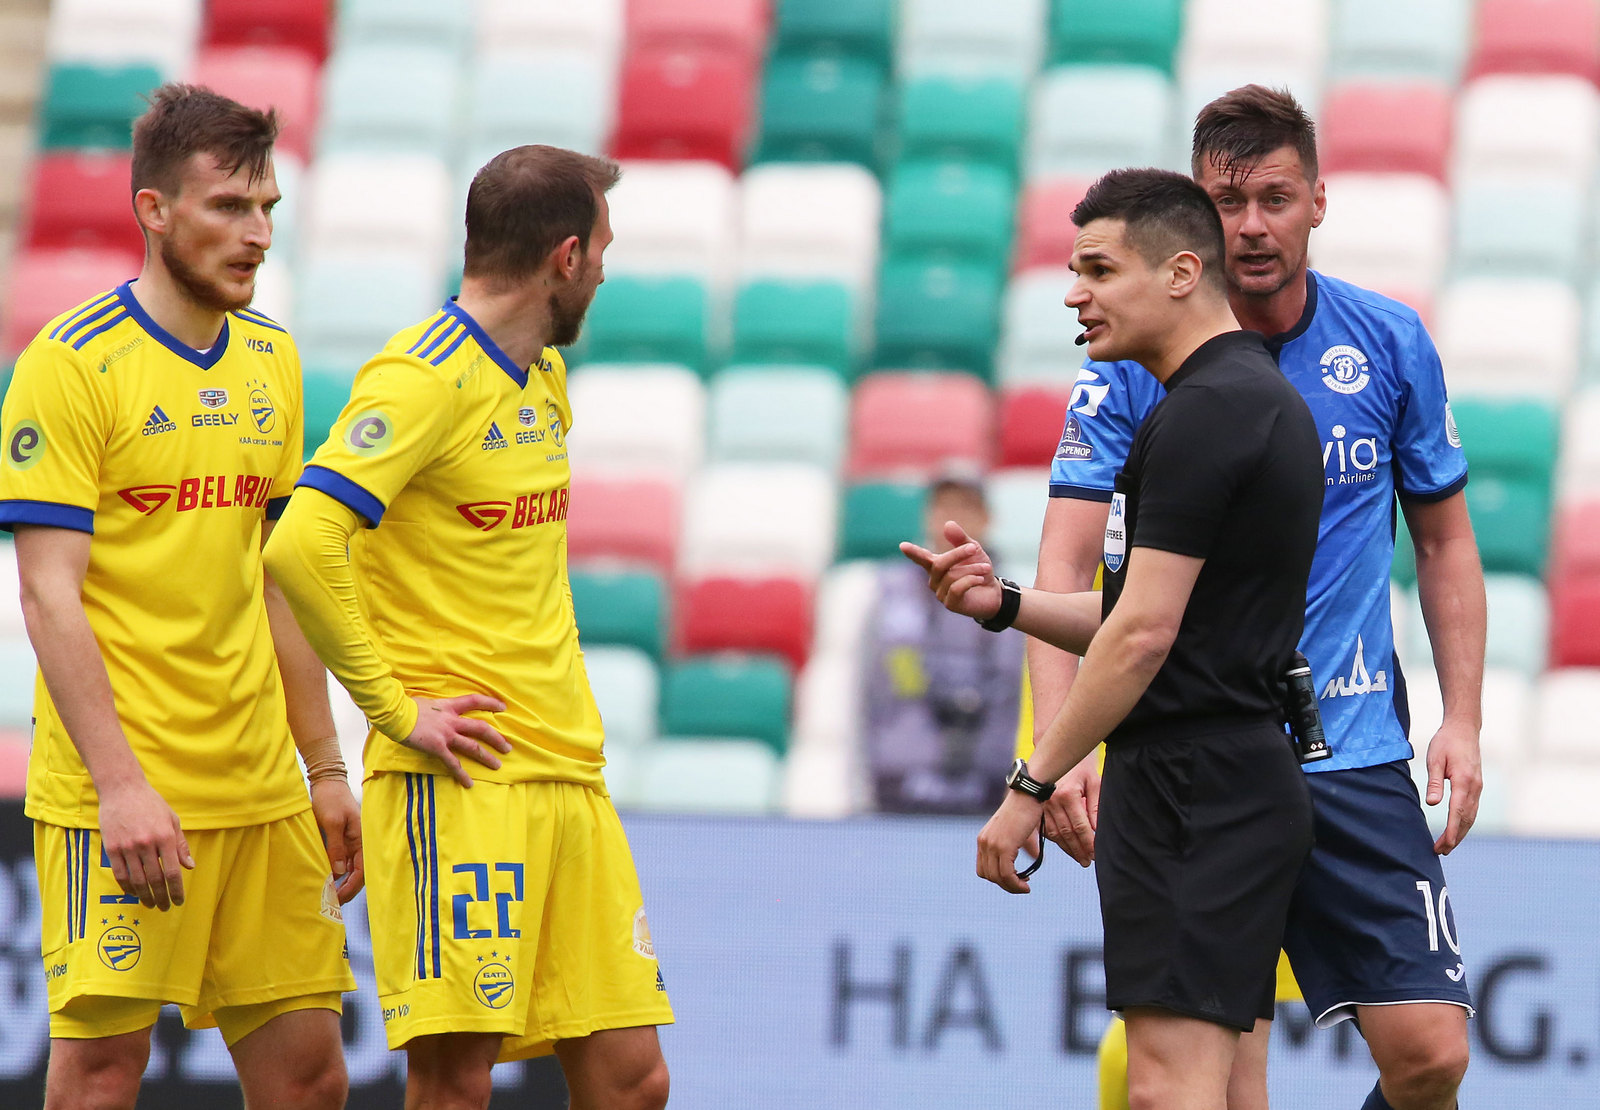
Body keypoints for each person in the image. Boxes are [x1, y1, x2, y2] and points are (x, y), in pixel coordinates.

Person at [1033, 87, 1484, 1110]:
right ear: (1195, 219)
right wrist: (1058, 745)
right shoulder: (1136, 361)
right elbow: (1065, 565)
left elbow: (1445, 541)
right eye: (1226, 203)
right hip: (1203, 754)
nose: (1250, 226)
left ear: (1317, 201)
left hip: (1352, 747)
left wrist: (1462, 717)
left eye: (1274, 199)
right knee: (1222, 1084)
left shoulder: (1387, 341)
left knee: (1431, 1055)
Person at [262, 145, 673, 1110]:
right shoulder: (420, 379)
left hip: (567, 769)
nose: (605, 270)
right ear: (566, 256)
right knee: (455, 1085)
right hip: (460, 781)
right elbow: (301, 546)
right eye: (603, 249)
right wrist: (395, 711)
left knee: (633, 1082)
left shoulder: (542, 377)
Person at [905, 166, 1325, 1110]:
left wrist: (1032, 782)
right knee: (1225, 1089)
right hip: (1227, 779)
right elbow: (1152, 614)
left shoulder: (1206, 414)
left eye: (1098, 269)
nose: (1073, 294)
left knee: (1166, 1090)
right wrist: (1006, 603)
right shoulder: (1237, 399)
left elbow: (1142, 636)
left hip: (1192, 788)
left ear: (1181, 273)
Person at [0, 84, 359, 1108]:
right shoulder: (72, 365)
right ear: (153, 211)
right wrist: (119, 786)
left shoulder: (273, 360)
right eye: (228, 208)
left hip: (260, 789)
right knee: (100, 1079)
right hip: (122, 790)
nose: (257, 235)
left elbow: (277, 580)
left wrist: (324, 765)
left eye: (267, 209)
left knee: (310, 1079)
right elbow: (49, 596)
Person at [863, 469, 1025, 814]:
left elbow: (1015, 690)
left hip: (990, 778)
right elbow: (867, 691)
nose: (954, 520)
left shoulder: (1018, 598)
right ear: (927, 515)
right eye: (943, 507)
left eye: (966, 507)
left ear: (988, 518)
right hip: (899, 775)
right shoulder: (890, 593)